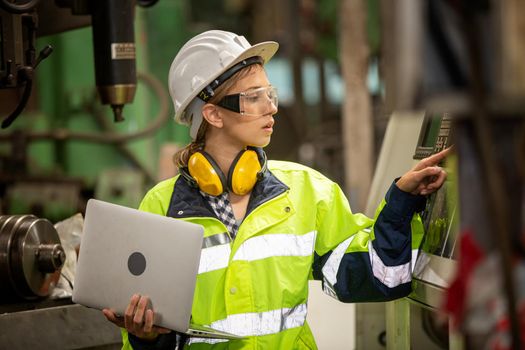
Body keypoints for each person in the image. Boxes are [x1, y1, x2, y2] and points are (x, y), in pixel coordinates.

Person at [102, 30, 449, 349]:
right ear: (213, 114)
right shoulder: (161, 206)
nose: (272, 107)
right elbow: (152, 334)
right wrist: (143, 336)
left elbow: (379, 277)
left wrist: (402, 202)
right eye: (254, 97)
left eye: (270, 94)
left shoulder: (306, 192)